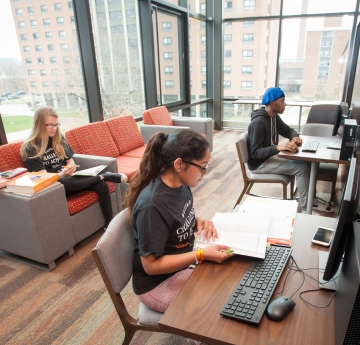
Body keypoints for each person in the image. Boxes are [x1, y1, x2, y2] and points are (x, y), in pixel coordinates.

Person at [124, 129, 233, 317]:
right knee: (213, 312)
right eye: (202, 166)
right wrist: (199, 254)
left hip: (180, 266)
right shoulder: (152, 205)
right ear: (179, 164)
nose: (205, 172)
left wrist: (198, 222)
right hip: (157, 284)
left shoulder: (180, 186)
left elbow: (175, 221)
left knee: (228, 284)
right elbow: (151, 266)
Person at [20, 106, 127, 229]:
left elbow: (70, 161)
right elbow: (44, 178)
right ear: (38, 124)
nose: (54, 128)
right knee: (63, 181)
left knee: (101, 185)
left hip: (70, 179)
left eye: (56, 124)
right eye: (49, 125)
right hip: (55, 187)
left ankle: (110, 224)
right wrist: (62, 174)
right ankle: (104, 176)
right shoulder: (31, 148)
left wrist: (71, 168)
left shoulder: (58, 138)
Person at [247, 87, 310, 212]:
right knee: (301, 168)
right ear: (272, 103)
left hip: (269, 157)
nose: (285, 103)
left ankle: (310, 199)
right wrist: (277, 148)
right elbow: (255, 153)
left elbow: (288, 130)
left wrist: (295, 137)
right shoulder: (258, 122)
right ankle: (306, 210)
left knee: (306, 162)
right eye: (282, 101)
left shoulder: (274, 117)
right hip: (260, 163)